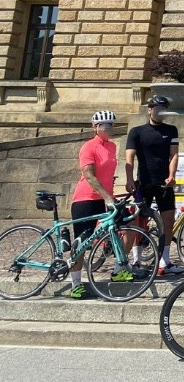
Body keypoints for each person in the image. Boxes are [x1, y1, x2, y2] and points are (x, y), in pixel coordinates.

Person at [69, 110, 132, 298]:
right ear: (95, 127)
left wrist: (111, 194)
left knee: (128, 227)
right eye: (105, 125)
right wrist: (106, 196)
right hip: (86, 199)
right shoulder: (88, 147)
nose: (109, 128)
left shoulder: (112, 146)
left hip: (107, 199)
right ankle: (75, 284)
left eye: (111, 125)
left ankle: (119, 269)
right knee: (81, 242)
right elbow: (89, 175)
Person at [125, 94, 184, 276]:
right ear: (150, 109)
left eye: (163, 109)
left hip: (164, 183)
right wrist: (128, 179)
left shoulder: (171, 130)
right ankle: (136, 260)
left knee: (168, 220)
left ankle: (165, 260)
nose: (159, 112)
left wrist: (172, 174)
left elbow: (174, 154)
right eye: (156, 108)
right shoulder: (137, 131)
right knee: (137, 221)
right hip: (143, 182)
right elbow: (130, 157)